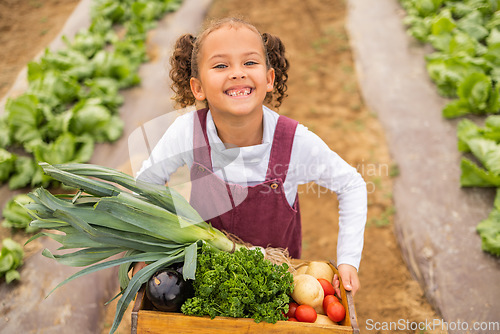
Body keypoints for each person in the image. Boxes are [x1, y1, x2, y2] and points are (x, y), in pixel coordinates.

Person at [136, 17, 367, 296]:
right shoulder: (187, 132)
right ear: (198, 88)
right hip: (207, 279)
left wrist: (348, 260)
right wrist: (144, 251)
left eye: (250, 63)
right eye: (221, 65)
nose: (237, 73)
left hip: (274, 282)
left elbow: (351, 184)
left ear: (269, 79)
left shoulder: (294, 142)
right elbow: (146, 183)